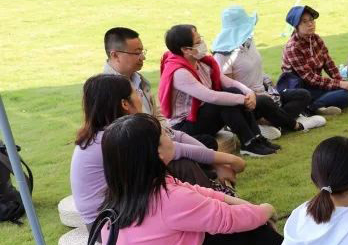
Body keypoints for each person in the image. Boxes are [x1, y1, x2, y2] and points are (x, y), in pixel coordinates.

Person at [101, 113, 282, 245]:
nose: (172, 137)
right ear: (157, 153)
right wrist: (265, 210)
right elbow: (231, 220)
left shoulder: (124, 191)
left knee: (242, 218)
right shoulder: (168, 198)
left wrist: (247, 206)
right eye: (166, 135)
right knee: (246, 230)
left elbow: (198, 192)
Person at [70, 74, 246, 226]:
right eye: (136, 93)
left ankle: (220, 205)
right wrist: (229, 160)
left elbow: (174, 135)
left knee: (186, 161)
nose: (141, 97)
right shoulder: (115, 137)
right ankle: (220, 209)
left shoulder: (119, 129)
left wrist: (217, 163)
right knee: (180, 165)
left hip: (124, 204)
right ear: (125, 103)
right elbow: (174, 149)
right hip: (108, 221)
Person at [103, 26, 244, 179]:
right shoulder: (107, 92)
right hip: (143, 157)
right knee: (186, 164)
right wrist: (222, 160)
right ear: (115, 55)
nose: (142, 57)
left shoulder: (138, 79)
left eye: (142, 52)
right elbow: (142, 141)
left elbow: (159, 119)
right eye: (137, 53)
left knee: (202, 146)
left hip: (162, 141)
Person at [158, 24, 278, 157]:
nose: (202, 44)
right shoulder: (179, 72)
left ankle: (256, 138)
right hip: (185, 126)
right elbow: (210, 97)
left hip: (202, 115)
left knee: (232, 92)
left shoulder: (201, 62)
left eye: (201, 39)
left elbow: (226, 82)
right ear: (186, 50)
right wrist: (243, 100)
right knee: (223, 102)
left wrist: (248, 92)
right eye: (198, 42)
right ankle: (249, 143)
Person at [211, 6, 324, 135]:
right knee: (265, 102)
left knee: (303, 95)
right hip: (250, 103)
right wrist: (255, 96)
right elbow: (230, 89)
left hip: (266, 94)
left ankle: (272, 123)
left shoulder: (248, 42)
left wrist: (269, 85)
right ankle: (296, 124)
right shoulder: (222, 55)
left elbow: (256, 69)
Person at [279, 5, 348, 115]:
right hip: (302, 90)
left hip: (318, 85)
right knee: (346, 93)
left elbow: (329, 64)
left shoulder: (316, 39)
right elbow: (310, 78)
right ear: (296, 26)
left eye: (311, 20)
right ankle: (312, 107)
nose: (310, 24)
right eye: (304, 22)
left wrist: (342, 81)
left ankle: (323, 105)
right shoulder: (293, 47)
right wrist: (339, 85)